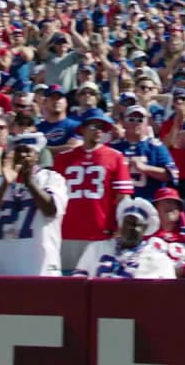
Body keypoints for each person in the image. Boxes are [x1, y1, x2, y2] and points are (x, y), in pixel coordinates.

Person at [54, 109, 134, 270]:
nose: (99, 130)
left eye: (102, 127)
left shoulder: (116, 157)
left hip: (101, 231)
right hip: (68, 230)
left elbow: (123, 198)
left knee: (99, 280)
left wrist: (119, 228)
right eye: (94, 126)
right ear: (82, 128)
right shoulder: (63, 158)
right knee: (67, 281)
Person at [0, 131, 67, 277]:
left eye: (28, 151)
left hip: (39, 270)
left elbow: (51, 210)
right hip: (1, 270)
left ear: (37, 156)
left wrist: (29, 181)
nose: (22, 156)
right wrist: (5, 184)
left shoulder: (51, 178)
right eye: (18, 151)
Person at [72, 198, 176, 279]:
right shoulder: (96, 248)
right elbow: (78, 284)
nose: (131, 228)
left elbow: (166, 294)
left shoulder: (158, 259)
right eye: (127, 223)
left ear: (145, 229)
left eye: (136, 224)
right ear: (121, 226)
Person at [110, 105, 177, 202]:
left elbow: (171, 174)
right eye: (131, 119)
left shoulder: (156, 147)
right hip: (120, 204)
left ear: (146, 123)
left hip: (149, 203)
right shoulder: (114, 147)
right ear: (124, 122)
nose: (136, 123)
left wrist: (144, 168)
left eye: (140, 120)